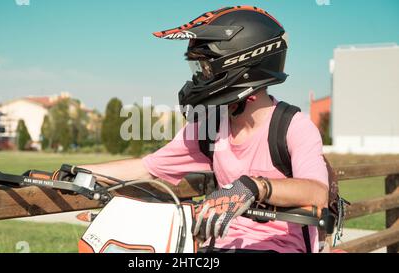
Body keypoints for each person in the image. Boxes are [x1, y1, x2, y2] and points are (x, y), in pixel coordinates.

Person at [80, 6, 328, 253]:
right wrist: (74, 173)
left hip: (281, 247)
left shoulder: (293, 125)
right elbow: (149, 168)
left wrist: (256, 186)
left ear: (241, 64)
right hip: (216, 247)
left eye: (206, 69)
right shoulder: (209, 125)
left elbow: (317, 193)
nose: (199, 79)